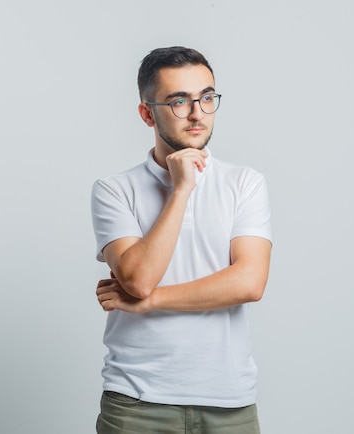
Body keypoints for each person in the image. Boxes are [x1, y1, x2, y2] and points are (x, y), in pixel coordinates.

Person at [91, 46, 272, 434]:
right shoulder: (114, 190)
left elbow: (249, 282)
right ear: (146, 113)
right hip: (136, 402)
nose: (197, 113)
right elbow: (138, 278)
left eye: (207, 98)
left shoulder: (245, 183)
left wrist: (151, 301)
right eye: (179, 101)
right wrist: (180, 191)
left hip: (229, 402)